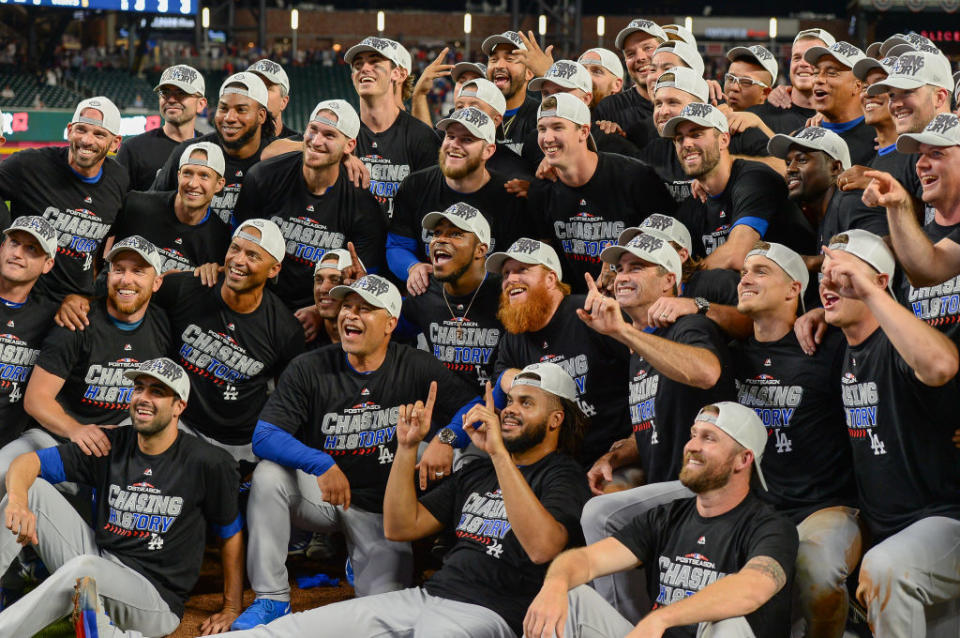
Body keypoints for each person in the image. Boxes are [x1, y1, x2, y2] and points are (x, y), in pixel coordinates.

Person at [220, 363, 613, 638]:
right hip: (428, 597)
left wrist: (497, 454)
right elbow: (400, 526)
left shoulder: (563, 475)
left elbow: (543, 547)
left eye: (526, 403)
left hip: (493, 613)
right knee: (290, 631)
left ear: (557, 419)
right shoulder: (477, 472)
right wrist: (406, 448)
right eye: (510, 401)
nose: (510, 410)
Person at [229, 274, 480, 629]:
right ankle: (272, 598)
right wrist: (320, 462)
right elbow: (265, 435)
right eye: (347, 306)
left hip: (381, 510)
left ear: (390, 323)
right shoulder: (310, 367)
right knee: (268, 474)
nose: (350, 315)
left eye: (365, 309)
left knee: (385, 611)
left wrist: (447, 439)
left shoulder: (415, 365)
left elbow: (473, 406)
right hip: (326, 493)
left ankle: (358, 556)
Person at [0, 357, 242, 636]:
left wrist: (232, 607)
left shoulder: (209, 462)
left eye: (157, 392)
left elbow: (230, 534)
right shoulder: (111, 443)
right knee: (33, 491)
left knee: (83, 569)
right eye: (139, 388)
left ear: (179, 406)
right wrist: (18, 500)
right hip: (99, 560)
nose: (143, 397)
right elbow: (29, 462)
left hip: (154, 598)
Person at [524, 401, 799, 638]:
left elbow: (752, 588)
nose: (692, 446)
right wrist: (555, 584)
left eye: (709, 438)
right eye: (693, 435)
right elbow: (586, 560)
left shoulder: (771, 527)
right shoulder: (667, 516)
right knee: (569, 599)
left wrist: (661, 618)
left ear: (743, 459)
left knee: (727, 625)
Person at [819, 229, 960, 637]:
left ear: (880, 281)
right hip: (885, 525)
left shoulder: (900, 341)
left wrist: (867, 292)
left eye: (843, 276)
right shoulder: (837, 347)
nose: (829, 285)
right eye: (824, 276)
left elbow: (939, 366)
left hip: (944, 518)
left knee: (886, 569)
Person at [733, 242, 860, 637]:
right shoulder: (729, 353)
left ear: (793, 289)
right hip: (759, 511)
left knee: (816, 568)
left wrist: (822, 312)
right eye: (742, 272)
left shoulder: (827, 344)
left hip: (826, 505)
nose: (746, 279)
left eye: (760, 271)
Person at [150, 219, 304, 463]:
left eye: (252, 255)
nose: (238, 260)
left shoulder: (286, 331)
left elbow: (288, 402)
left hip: (239, 443)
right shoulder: (185, 287)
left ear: (273, 269)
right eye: (235, 248)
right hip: (178, 423)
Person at [484, 238, 631, 467]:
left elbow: (643, 364)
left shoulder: (589, 312)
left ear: (551, 279)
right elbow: (499, 378)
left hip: (613, 453)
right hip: (553, 462)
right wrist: (508, 377)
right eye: (505, 273)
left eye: (522, 269)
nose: (511, 279)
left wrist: (633, 443)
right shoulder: (515, 334)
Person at [233, 99, 386, 312]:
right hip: (259, 299)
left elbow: (363, 278)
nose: (316, 141)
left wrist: (320, 312)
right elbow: (236, 242)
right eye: (313, 130)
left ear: (349, 146)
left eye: (329, 135)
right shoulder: (264, 176)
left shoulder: (364, 206)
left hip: (324, 310)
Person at [528, 93, 675, 294]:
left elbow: (670, 242)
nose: (547, 138)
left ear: (584, 131)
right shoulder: (541, 189)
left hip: (636, 299)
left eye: (558, 127)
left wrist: (622, 266)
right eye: (542, 129)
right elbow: (545, 256)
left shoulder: (634, 176)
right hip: (577, 303)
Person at [387, 106, 530, 295]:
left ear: (488, 150)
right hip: (431, 296)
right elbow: (398, 245)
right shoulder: (416, 184)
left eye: (467, 139)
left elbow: (520, 265)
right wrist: (412, 267)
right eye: (450, 136)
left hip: (490, 300)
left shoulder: (509, 196)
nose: (454, 144)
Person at [0, 97, 127, 304]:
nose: (87, 140)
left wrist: (86, 295)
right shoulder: (29, 165)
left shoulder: (119, 180)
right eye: (81, 130)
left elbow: (103, 245)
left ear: (115, 143)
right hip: (25, 300)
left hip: (78, 303)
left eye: (99, 134)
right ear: (69, 130)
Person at [664, 103, 816, 267]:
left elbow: (737, 255)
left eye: (696, 135)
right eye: (679, 139)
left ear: (723, 140)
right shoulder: (694, 204)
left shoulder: (756, 179)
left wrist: (685, 284)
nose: (686, 144)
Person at [862, 113, 960, 342]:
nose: (921, 164)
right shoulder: (912, 242)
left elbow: (927, 270)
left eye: (936, 153)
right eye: (920, 155)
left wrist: (901, 205)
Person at [151, 73, 275, 226]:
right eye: (223, 108)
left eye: (241, 110)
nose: (229, 117)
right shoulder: (189, 152)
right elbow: (152, 208)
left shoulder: (277, 159)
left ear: (261, 115)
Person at [402, 203, 504, 389]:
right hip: (441, 407)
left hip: (494, 408)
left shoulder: (505, 292)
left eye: (455, 234)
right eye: (437, 233)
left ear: (480, 250)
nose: (440, 240)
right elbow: (382, 331)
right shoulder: (423, 289)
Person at [344, 36, 441, 219]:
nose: (364, 68)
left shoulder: (421, 136)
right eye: (358, 64)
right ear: (352, 77)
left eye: (374, 62)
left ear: (397, 73)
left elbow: (433, 202)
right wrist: (335, 153)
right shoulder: (342, 136)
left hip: (403, 242)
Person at [766, 126, 887, 259]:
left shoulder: (852, 202)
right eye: (788, 163)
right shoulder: (826, 214)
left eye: (802, 160)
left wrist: (810, 263)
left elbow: (883, 251)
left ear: (835, 168)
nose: (790, 169)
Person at [112, 142, 231, 273]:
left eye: (204, 176)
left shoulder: (219, 239)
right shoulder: (136, 205)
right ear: (178, 176)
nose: (193, 183)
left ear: (219, 184)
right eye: (187, 173)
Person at [0, 217, 58, 448]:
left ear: (47, 264)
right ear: (2, 247)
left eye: (31, 248)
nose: (18, 253)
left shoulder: (53, 316)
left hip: (8, 447)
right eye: (14, 243)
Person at [116, 65, 206, 190]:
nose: (171, 99)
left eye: (181, 93)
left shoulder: (210, 148)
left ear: (201, 104)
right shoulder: (133, 149)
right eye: (165, 93)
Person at [803, 41, 876, 165]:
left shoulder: (878, 141)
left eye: (831, 73)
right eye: (815, 73)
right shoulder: (803, 137)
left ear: (857, 86)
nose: (818, 80)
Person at [749, 29, 835, 135]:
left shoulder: (846, 121)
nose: (803, 63)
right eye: (797, 58)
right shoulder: (758, 117)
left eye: (812, 58)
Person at [593, 19, 667, 132]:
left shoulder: (688, 103)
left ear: (666, 51)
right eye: (630, 54)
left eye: (647, 48)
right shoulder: (609, 109)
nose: (639, 58)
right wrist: (612, 139)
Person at [481, 30, 538, 155]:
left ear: (529, 72)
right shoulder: (474, 112)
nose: (499, 65)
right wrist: (425, 94)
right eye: (494, 59)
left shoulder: (540, 117)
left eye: (510, 59)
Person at [248, 58, 298, 138]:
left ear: (283, 102)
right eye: (253, 86)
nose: (258, 92)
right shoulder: (226, 145)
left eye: (267, 88)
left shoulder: (301, 147)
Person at [723, 45, 777, 112]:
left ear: (764, 93)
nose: (734, 87)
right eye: (730, 78)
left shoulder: (776, 121)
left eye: (745, 82)